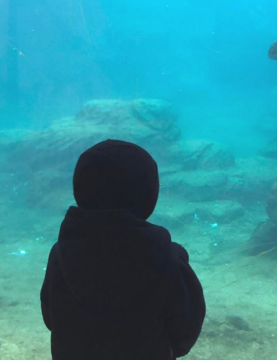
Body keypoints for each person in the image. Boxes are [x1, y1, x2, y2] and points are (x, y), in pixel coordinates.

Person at [40, 139, 205, 360]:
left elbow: (51, 317)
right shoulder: (168, 259)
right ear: (147, 195)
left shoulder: (60, 253)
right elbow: (185, 328)